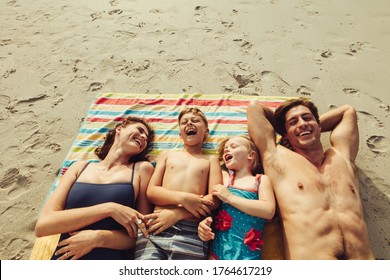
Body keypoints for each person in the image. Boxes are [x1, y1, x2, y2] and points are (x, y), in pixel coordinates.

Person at [246, 97, 374, 259]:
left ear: (319, 125)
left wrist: (310, 126)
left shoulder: (342, 157)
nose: (302, 123)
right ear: (284, 133)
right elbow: (255, 108)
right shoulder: (277, 159)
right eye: (293, 122)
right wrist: (290, 129)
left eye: (307, 118)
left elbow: (347, 111)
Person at [35, 116, 155, 260]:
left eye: (146, 138)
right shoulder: (79, 167)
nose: (143, 137)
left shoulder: (142, 170)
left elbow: (143, 233)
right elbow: (43, 225)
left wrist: (98, 238)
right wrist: (109, 209)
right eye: (140, 130)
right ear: (119, 129)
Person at [134, 107, 223, 260]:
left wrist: (177, 214)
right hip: (157, 226)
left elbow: (215, 199)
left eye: (195, 121)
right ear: (179, 133)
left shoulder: (210, 160)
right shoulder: (167, 155)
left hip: (192, 230)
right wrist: (183, 198)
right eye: (184, 122)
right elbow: (152, 192)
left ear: (206, 132)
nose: (189, 123)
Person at [198, 135, 275, 260]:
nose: (227, 150)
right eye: (225, 150)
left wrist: (230, 198)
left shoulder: (260, 180)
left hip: (249, 255)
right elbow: (212, 204)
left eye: (233, 147)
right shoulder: (224, 178)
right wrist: (204, 223)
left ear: (251, 156)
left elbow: (268, 211)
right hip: (218, 251)